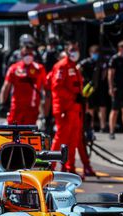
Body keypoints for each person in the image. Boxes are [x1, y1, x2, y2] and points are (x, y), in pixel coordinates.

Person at [48, 41, 94, 176]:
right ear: (67, 51)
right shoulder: (61, 66)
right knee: (60, 137)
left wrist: (80, 98)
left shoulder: (74, 67)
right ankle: (50, 165)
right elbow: (56, 87)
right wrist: (73, 97)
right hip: (64, 108)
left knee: (73, 139)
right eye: (72, 49)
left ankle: (70, 167)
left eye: (77, 48)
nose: (75, 51)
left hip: (75, 108)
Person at [0, 43, 46, 125]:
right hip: (16, 108)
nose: (28, 56)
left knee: (28, 135)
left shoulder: (39, 69)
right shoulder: (14, 68)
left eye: (30, 53)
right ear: (21, 54)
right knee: (12, 133)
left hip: (32, 109)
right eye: (26, 54)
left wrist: (45, 110)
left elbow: (45, 89)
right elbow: (6, 86)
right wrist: (2, 103)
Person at [78, 45, 109, 134]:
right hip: (89, 87)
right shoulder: (86, 62)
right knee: (90, 107)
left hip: (100, 86)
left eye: (97, 53)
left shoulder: (101, 63)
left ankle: (103, 126)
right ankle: (90, 126)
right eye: (94, 53)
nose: (96, 55)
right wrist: (83, 79)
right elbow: (78, 68)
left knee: (102, 107)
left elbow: (104, 74)